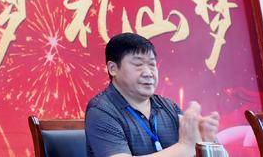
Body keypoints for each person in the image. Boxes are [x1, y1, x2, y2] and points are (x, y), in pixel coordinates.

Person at [85, 33, 220, 157]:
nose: (148, 73)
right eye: (138, 64)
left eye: (152, 64)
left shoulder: (169, 107)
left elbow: (191, 149)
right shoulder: (101, 111)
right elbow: (186, 147)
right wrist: (185, 146)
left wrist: (203, 143)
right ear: (113, 69)